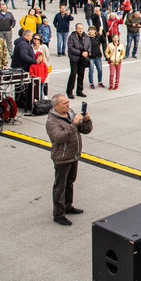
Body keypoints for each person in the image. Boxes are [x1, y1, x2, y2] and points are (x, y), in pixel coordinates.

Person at [45, 93, 92, 226]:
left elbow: (85, 130)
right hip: (62, 157)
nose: (68, 105)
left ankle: (67, 205)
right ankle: (58, 214)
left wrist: (87, 120)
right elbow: (59, 138)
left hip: (73, 155)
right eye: (64, 103)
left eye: (67, 102)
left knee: (70, 182)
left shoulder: (70, 114)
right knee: (60, 186)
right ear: (56, 106)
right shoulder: (52, 121)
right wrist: (74, 123)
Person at [66, 23, 91, 99]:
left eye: (81, 28)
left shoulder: (86, 37)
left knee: (81, 75)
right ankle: (69, 91)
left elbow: (89, 45)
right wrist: (80, 53)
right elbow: (70, 48)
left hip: (82, 59)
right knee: (73, 74)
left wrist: (87, 52)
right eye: (79, 28)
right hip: (74, 58)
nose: (80, 30)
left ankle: (79, 90)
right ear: (76, 29)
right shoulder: (72, 37)